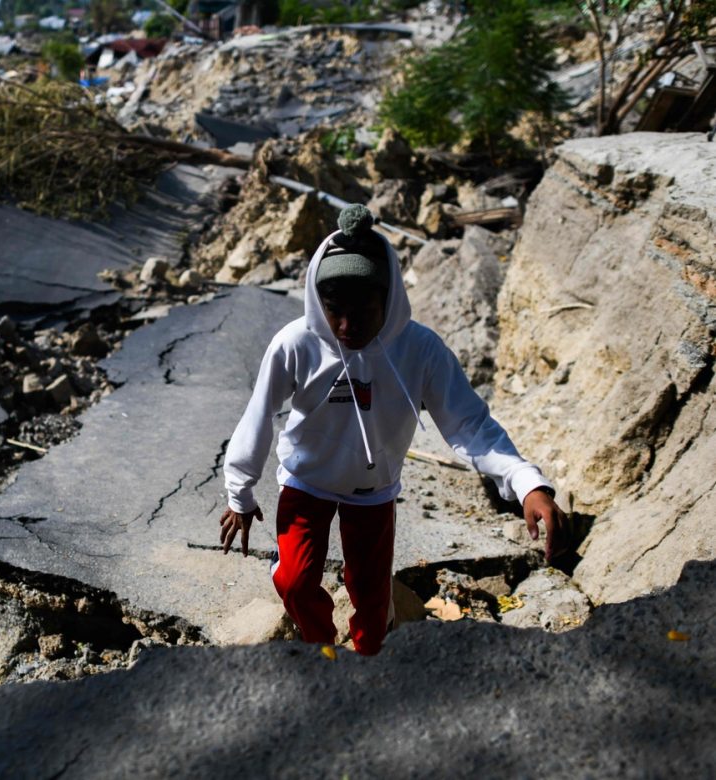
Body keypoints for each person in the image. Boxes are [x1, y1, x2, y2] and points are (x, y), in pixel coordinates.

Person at [218, 204, 567, 656]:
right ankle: (319, 650)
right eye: (334, 310)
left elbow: (468, 422)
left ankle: (369, 664)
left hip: (373, 492)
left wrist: (526, 484)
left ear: (389, 297)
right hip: (309, 482)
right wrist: (239, 494)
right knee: (295, 579)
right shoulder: (296, 343)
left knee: (370, 593)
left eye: (362, 310)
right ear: (318, 300)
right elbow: (258, 414)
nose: (346, 326)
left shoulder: (419, 349)